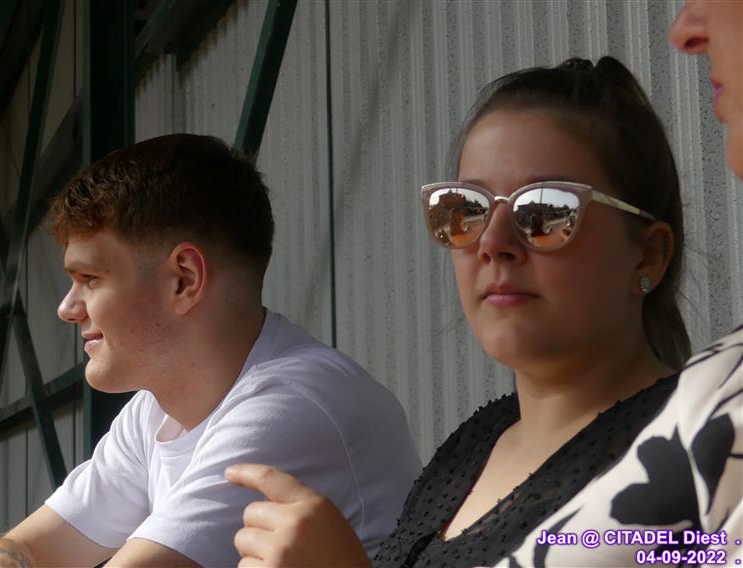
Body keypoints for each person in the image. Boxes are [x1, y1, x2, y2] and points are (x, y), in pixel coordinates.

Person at [226, 45, 743, 568]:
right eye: (465, 210)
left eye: (545, 210)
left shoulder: (706, 450)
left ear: (648, 253)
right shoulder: (471, 448)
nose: (493, 243)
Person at [0, 134, 420, 567]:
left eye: (89, 279)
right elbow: (26, 547)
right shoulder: (153, 414)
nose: (67, 308)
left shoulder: (291, 405)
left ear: (184, 279)